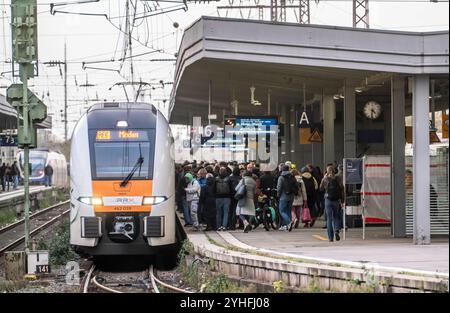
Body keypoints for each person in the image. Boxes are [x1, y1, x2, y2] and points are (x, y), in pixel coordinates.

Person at [320, 165, 345, 242]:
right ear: (334, 171)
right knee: (336, 216)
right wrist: (342, 200)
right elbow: (342, 189)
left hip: (328, 200)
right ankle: (336, 230)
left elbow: (320, 188)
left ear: (327, 171)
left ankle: (331, 238)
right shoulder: (338, 178)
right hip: (336, 200)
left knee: (329, 219)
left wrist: (324, 178)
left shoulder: (325, 179)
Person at [277, 165, 296, 231]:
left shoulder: (281, 177)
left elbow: (279, 188)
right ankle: (286, 226)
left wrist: (278, 195)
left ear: (282, 170)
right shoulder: (292, 176)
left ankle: (288, 222)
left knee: (282, 211)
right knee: (288, 211)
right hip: (291, 196)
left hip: (283, 197)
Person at [215, 167, 232, 231]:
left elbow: (213, 189)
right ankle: (224, 226)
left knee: (218, 213)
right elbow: (231, 188)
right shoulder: (228, 179)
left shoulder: (216, 179)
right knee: (226, 212)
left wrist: (215, 195)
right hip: (227, 197)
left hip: (218, 198)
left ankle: (218, 226)